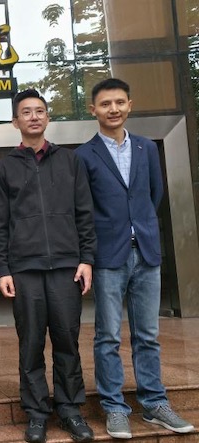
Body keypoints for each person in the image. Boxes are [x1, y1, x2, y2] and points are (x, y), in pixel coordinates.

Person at [76, 78, 195, 439]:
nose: (113, 109)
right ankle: (114, 407)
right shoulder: (83, 155)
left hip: (146, 252)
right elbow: (83, 208)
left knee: (148, 334)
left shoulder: (146, 149)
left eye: (119, 102)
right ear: (93, 110)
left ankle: (155, 403)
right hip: (108, 256)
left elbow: (153, 195)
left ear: (130, 105)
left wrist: (139, 228)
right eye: (105, 104)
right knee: (108, 336)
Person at [0, 89, 96, 443]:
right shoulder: (3, 168)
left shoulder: (70, 161)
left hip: (66, 267)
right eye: (26, 112)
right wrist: (2, 269)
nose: (33, 117)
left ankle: (70, 409)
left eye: (39, 111)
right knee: (31, 343)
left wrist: (86, 259)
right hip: (24, 270)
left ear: (47, 117)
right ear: (15, 121)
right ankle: (36, 413)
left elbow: (84, 214)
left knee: (67, 340)